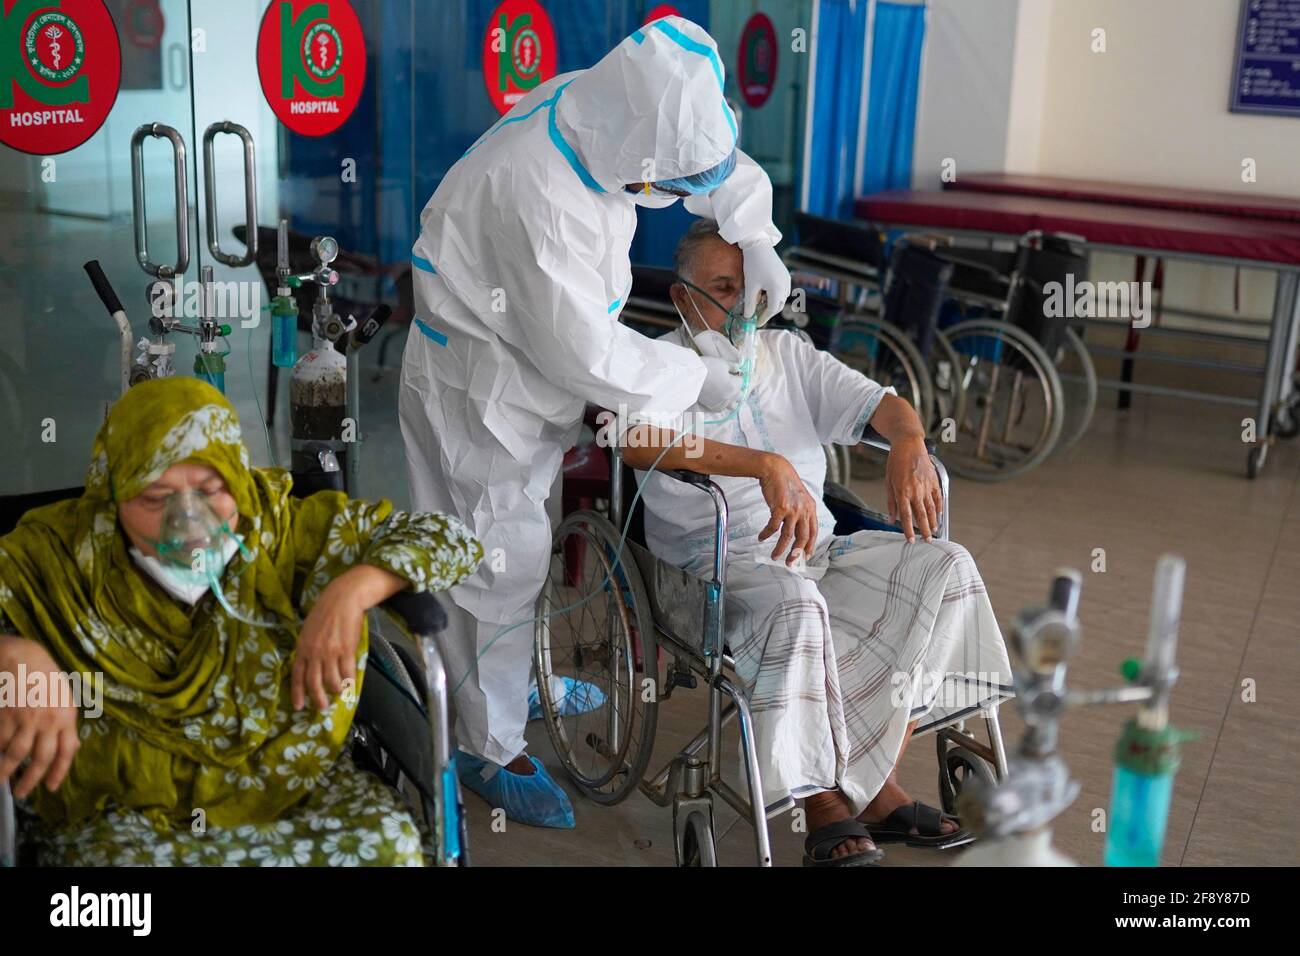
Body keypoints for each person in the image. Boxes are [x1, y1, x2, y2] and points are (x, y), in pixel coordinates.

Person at [398, 16, 790, 828]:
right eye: (666, 188)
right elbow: (586, 356)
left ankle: (519, 680)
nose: (673, 201)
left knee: (524, 544)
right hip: (481, 388)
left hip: (531, 366)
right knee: (494, 559)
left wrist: (759, 234)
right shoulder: (534, 191)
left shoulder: (610, 105)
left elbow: (703, 156)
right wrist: (696, 376)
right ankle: (487, 741)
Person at [622, 220, 1013, 866]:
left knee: (947, 568)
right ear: (683, 297)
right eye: (722, 286)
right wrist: (762, 465)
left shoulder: (788, 355)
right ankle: (827, 804)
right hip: (716, 569)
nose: (740, 304)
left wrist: (910, 443)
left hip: (820, 551)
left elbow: (883, 405)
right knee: (796, 604)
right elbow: (637, 441)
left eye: (749, 288)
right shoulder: (659, 365)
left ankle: (873, 776)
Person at [0, 378, 482, 866]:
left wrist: (353, 589)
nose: (188, 523)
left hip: (286, 784)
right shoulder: (60, 553)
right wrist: (15, 653)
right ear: (112, 493)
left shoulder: (279, 528)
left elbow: (451, 538)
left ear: (238, 478)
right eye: (154, 497)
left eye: (211, 490)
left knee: (390, 846)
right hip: (122, 804)